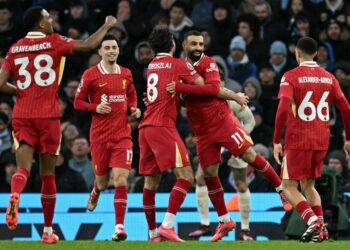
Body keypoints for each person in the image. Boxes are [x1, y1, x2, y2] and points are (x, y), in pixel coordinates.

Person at [0, 7, 116, 244]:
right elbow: (89, 45)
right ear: (40, 24)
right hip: (48, 115)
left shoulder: (15, 48)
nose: (51, 20)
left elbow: (0, 83)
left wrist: (20, 91)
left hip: (22, 114)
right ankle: (47, 231)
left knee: (22, 169)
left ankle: (14, 195)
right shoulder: (53, 41)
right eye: (47, 17)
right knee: (48, 175)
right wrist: (107, 26)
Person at [167, 30, 292, 242]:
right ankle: (225, 220)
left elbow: (213, 89)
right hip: (202, 131)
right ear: (184, 45)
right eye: (194, 44)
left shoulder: (209, 64)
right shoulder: (178, 68)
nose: (198, 48)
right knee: (209, 174)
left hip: (222, 122)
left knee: (249, 157)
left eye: (201, 44)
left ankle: (281, 190)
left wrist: (180, 86)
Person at [139, 27, 248, 243]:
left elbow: (166, 93)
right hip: (163, 127)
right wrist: (235, 96)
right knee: (186, 177)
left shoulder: (152, 66)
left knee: (151, 182)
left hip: (145, 127)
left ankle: (153, 234)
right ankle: (167, 226)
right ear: (172, 44)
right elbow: (210, 88)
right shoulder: (179, 64)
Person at [273, 36, 350, 243]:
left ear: (297, 53)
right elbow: (346, 109)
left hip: (298, 140)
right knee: (308, 186)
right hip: (321, 140)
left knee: (288, 186)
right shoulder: (330, 78)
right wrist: (348, 139)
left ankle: (313, 221)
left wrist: (276, 140)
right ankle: (322, 229)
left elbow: (282, 109)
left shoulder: (290, 76)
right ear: (316, 53)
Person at [74, 34, 140, 241]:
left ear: (118, 51)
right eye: (107, 47)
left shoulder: (126, 73)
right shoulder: (91, 75)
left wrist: (134, 109)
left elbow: (131, 95)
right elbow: (77, 102)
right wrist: (95, 107)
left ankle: (119, 227)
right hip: (100, 137)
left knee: (121, 179)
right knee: (103, 183)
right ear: (100, 51)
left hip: (122, 136)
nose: (111, 50)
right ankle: (95, 191)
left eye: (114, 47)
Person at [188, 67, 256, 240]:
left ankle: (245, 230)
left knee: (241, 183)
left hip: (235, 144)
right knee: (201, 177)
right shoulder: (203, 101)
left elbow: (250, 121)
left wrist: (239, 140)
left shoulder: (232, 99)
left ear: (223, 84)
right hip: (214, 145)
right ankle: (204, 224)